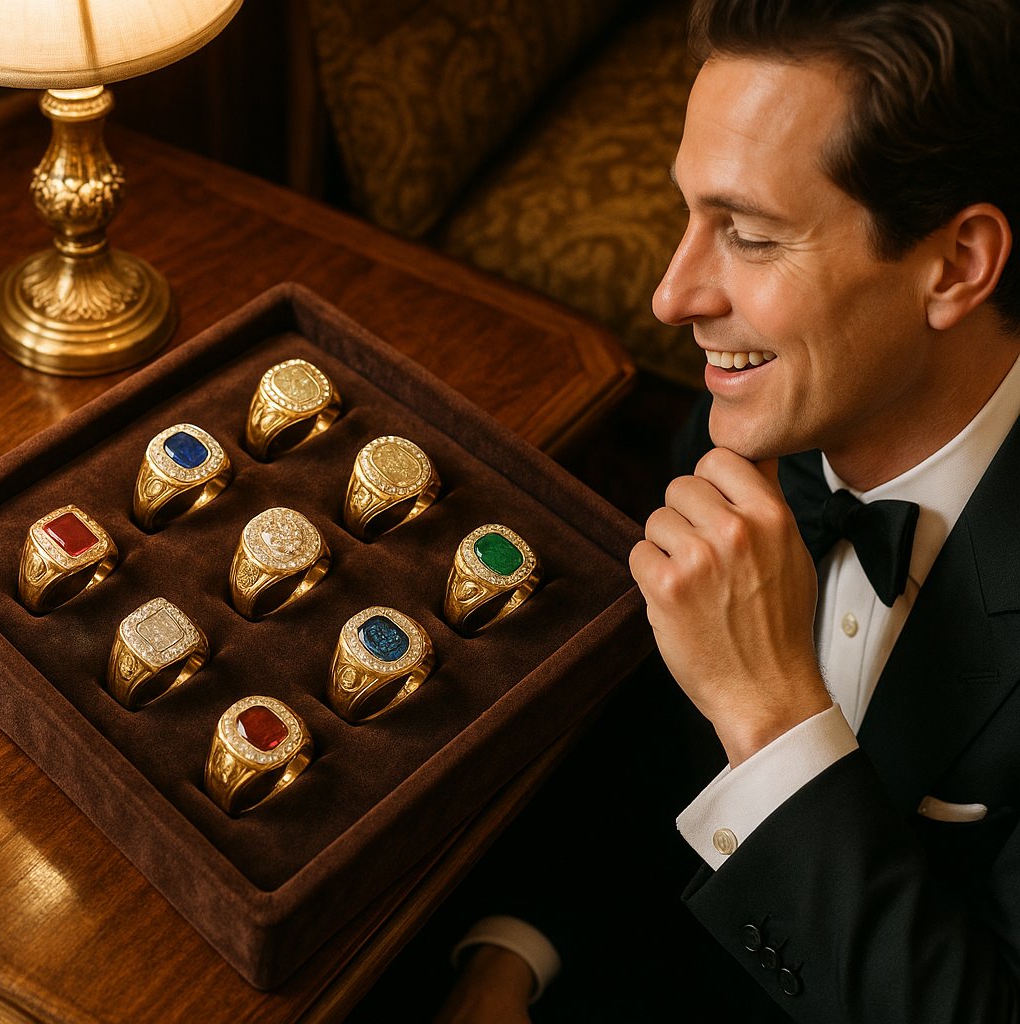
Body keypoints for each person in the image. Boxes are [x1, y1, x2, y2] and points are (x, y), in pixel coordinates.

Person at [429, 0, 1020, 1020]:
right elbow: (641, 746)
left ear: (955, 265)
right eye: (689, 213)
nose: (671, 294)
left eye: (745, 235)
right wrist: (507, 957)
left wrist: (772, 713)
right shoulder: (746, 421)